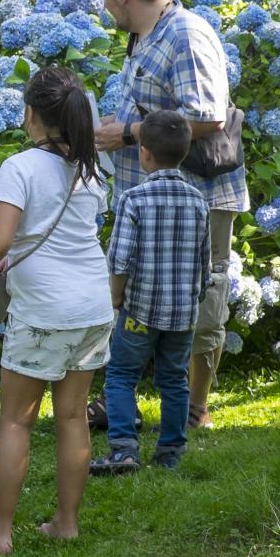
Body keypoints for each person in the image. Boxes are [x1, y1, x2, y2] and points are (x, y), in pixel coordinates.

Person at [91, 0, 248, 431]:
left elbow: (207, 116)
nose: (103, 7)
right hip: (147, 196)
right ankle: (127, 401)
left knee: (202, 298)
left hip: (195, 199)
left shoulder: (185, 35)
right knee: (136, 295)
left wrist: (129, 133)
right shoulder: (146, 35)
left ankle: (195, 409)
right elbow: (148, 104)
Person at [0, 66, 114, 555]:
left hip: (44, 310)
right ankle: (66, 524)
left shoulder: (22, 167)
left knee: (16, 421)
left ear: (31, 113)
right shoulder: (92, 169)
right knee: (73, 417)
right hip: (93, 304)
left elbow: (0, 239)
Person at [90, 110, 209, 475]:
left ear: (143, 152)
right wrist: (196, 297)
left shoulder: (134, 199)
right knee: (174, 379)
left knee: (122, 375)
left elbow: (120, 259)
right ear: (185, 151)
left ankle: (124, 448)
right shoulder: (198, 201)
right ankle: (170, 451)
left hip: (139, 311)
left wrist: (115, 298)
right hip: (183, 314)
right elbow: (206, 261)